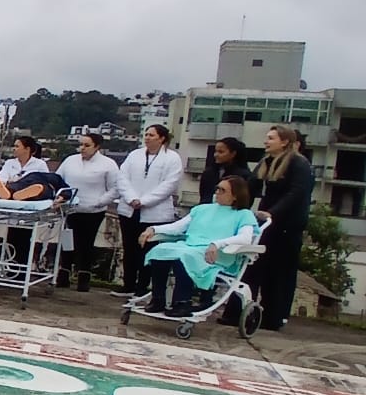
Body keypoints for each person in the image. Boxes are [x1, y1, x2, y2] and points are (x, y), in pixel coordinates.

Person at [224, 125, 314, 331]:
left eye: (271, 138)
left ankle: (273, 317)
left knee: (279, 274)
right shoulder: (266, 162)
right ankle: (238, 313)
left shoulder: (299, 164)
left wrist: (273, 212)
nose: (266, 141)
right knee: (251, 268)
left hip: (286, 226)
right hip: (265, 224)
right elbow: (250, 187)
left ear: (284, 142)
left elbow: (296, 193)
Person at [140, 175, 259, 317]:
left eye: (222, 190)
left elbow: (245, 238)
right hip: (192, 246)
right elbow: (178, 227)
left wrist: (217, 243)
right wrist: (154, 229)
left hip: (219, 253)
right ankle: (158, 299)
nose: (217, 192)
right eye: (217, 189)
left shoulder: (243, 214)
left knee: (184, 256)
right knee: (161, 250)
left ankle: (182, 302)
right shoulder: (202, 209)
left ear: (235, 195)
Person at [114, 124, 184, 297]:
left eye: (151, 135)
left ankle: (142, 287)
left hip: (155, 213)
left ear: (162, 138)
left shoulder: (172, 158)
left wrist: (144, 201)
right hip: (130, 209)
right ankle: (128, 284)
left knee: (147, 251)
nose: (147, 137)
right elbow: (122, 178)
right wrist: (132, 199)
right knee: (129, 248)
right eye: (146, 134)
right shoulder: (134, 155)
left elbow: (169, 185)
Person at [56, 132, 119, 291]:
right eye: (81, 145)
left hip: (93, 211)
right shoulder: (70, 160)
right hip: (70, 208)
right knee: (67, 241)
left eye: (86, 145)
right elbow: (57, 180)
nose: (82, 148)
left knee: (86, 244)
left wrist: (100, 202)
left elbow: (115, 188)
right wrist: (60, 197)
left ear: (97, 147)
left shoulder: (108, 164)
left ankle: (84, 277)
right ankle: (64, 274)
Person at [0, 136, 49, 267]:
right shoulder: (10, 163)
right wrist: (4, 183)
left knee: (24, 237)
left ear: (27, 149)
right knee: (11, 236)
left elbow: (44, 182)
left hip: (29, 202)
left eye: (17, 146)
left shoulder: (39, 165)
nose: (14, 149)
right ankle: (11, 267)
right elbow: (3, 177)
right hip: (11, 200)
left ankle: (20, 268)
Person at [200, 136, 253, 205]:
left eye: (221, 152)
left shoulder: (243, 176)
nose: (216, 155)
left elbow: (245, 201)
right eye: (215, 151)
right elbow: (204, 196)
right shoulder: (208, 173)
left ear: (233, 154)